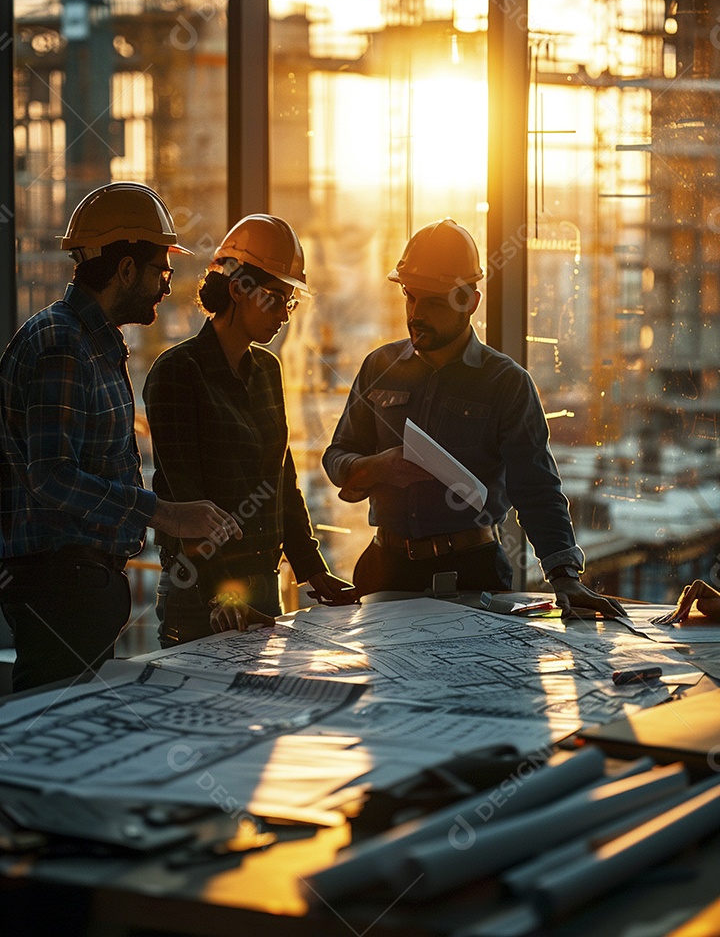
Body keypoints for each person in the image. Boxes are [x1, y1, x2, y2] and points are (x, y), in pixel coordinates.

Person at [0, 182, 241, 692]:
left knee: (69, 739)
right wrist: (166, 512)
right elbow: (53, 476)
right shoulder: (63, 344)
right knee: (56, 743)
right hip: (63, 587)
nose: (167, 286)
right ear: (126, 269)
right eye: (161, 271)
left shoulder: (92, 342)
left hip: (80, 585)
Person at [322, 218, 625, 618]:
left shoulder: (506, 384)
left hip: (471, 572)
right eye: (410, 297)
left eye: (432, 301)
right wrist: (373, 467)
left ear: (469, 301)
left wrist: (564, 575)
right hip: (385, 571)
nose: (415, 313)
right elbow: (337, 454)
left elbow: (536, 487)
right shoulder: (380, 366)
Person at [143, 213, 356, 648]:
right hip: (201, 593)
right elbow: (187, 499)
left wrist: (311, 568)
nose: (284, 315)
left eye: (290, 303)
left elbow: (281, 481)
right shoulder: (178, 373)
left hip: (262, 584)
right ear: (239, 288)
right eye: (276, 299)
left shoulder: (267, 370)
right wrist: (221, 594)